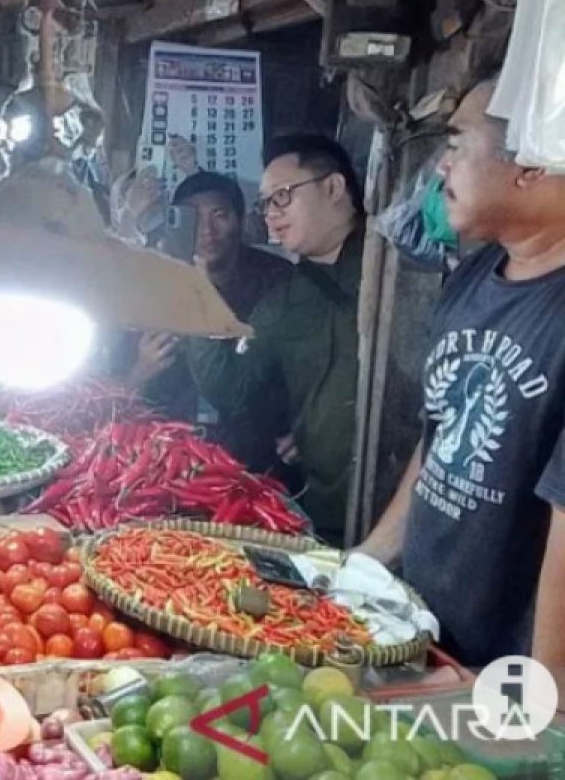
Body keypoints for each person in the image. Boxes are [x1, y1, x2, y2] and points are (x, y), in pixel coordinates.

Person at [360, 79, 565, 668]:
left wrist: (544, 709)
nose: (442, 165)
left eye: (458, 143)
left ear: (528, 163)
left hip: (511, 671)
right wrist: (371, 559)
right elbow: (441, 437)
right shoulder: (475, 277)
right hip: (426, 634)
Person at [188, 135, 365, 543]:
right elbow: (231, 388)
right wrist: (196, 293)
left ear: (334, 188)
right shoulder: (285, 297)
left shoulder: (402, 270)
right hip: (327, 509)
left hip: (401, 502)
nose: (270, 215)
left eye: (282, 197)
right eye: (265, 203)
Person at [130, 173, 293, 470]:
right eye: (193, 218)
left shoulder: (277, 279)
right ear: (175, 223)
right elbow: (105, 386)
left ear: (241, 221)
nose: (207, 231)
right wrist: (141, 370)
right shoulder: (150, 283)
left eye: (220, 215)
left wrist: (303, 426)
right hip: (166, 454)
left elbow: (308, 363)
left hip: (258, 451)